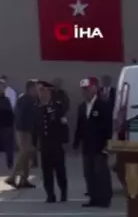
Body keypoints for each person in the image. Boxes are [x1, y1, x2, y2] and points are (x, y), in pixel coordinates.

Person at [74, 77, 113, 208]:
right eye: (83, 90)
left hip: (100, 145)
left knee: (100, 172)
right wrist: (76, 142)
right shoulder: (82, 107)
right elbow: (79, 126)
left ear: (95, 88)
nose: (85, 92)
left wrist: (108, 143)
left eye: (88, 89)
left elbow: (108, 126)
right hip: (87, 145)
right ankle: (94, 197)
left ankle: (105, 198)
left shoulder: (103, 105)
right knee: (89, 173)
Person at [36, 81, 69, 202]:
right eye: (39, 91)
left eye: (42, 90)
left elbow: (63, 125)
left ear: (49, 91)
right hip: (44, 145)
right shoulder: (38, 107)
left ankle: (63, 192)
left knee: (60, 170)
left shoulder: (57, 106)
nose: (40, 93)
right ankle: (50, 194)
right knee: (46, 172)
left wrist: (63, 141)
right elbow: (36, 127)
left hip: (55, 144)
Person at [5, 80, 38, 189]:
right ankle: (13, 177)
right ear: (29, 89)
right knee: (24, 152)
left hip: (28, 130)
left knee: (27, 154)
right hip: (23, 130)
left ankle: (24, 179)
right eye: (35, 88)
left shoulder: (32, 99)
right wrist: (24, 131)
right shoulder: (24, 99)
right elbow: (19, 116)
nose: (37, 90)